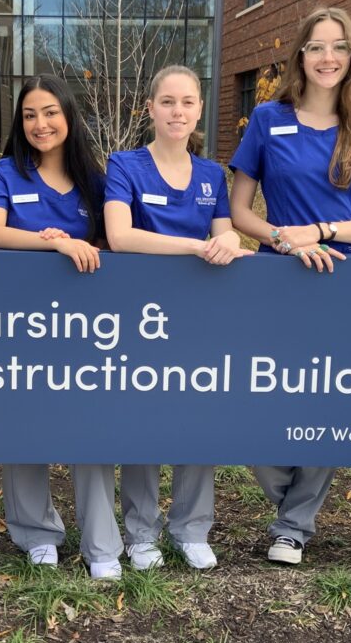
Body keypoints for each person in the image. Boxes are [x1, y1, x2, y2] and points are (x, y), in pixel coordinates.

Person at [229, 7, 351, 565]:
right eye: (315, 47)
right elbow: (239, 211)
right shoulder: (266, 119)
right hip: (277, 276)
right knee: (258, 395)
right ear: (299, 57)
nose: (326, 57)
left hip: (346, 281)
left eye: (338, 47)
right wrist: (287, 240)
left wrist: (324, 231)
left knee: (325, 398)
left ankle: (293, 526)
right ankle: (289, 497)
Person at [105, 64, 252, 571]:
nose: (177, 111)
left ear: (199, 111)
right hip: (141, 319)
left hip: (199, 318)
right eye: (167, 102)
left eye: (187, 102)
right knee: (143, 421)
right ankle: (141, 532)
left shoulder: (212, 174)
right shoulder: (124, 165)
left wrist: (228, 241)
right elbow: (120, 237)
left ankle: (191, 528)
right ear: (150, 108)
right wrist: (197, 246)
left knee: (198, 419)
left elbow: (227, 230)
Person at [0, 75, 123, 579]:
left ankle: (102, 542)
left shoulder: (94, 178)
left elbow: (110, 242)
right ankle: (35, 533)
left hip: (86, 326)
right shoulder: (6, 174)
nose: (41, 124)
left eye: (50, 112)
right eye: (30, 114)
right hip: (21, 321)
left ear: (69, 116)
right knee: (26, 425)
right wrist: (53, 241)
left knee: (93, 428)